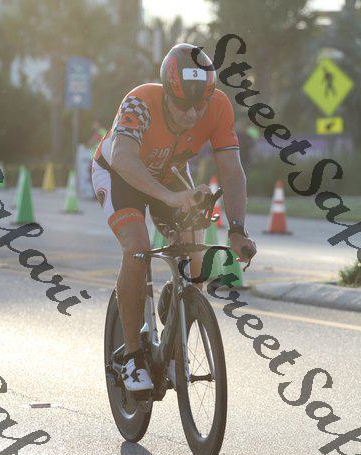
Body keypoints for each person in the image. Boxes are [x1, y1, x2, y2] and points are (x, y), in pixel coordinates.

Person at [91, 43, 257, 392]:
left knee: (195, 259)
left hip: (169, 174)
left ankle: (175, 319)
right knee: (137, 249)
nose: (193, 113)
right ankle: (132, 357)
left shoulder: (218, 105)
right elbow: (123, 157)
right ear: (167, 93)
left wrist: (237, 230)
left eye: (200, 104)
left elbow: (232, 171)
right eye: (184, 105)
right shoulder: (139, 101)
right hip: (120, 175)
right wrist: (169, 198)